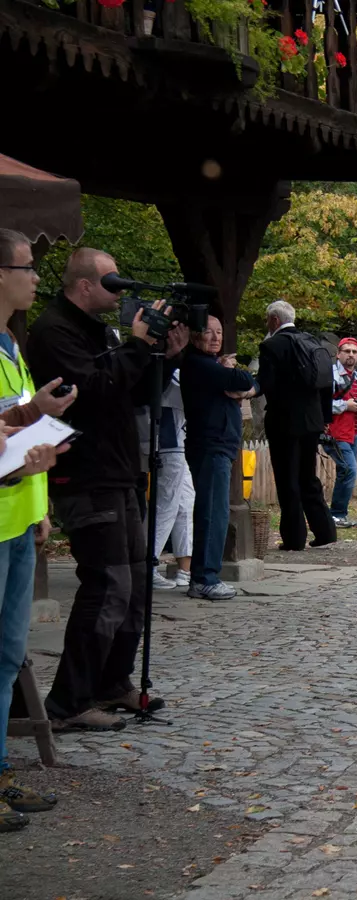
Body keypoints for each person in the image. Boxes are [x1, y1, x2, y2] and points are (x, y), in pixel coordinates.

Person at [27, 248, 189, 731]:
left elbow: (131, 391)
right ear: (83, 287)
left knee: (136, 584)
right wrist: (138, 347)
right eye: (111, 282)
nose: (120, 291)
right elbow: (93, 391)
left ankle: (111, 680)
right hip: (86, 475)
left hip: (118, 470)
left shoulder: (99, 330)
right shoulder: (53, 332)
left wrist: (165, 354)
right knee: (107, 586)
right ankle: (68, 703)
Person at [0, 229, 77, 831]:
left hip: (19, 516)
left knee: (6, 655)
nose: (34, 278)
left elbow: (16, 426)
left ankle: (0, 771)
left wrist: (41, 499)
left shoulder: (12, 343)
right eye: (26, 267)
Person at [180, 315, 257, 600]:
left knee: (215, 511)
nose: (215, 337)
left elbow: (244, 385)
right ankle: (204, 578)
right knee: (213, 513)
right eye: (208, 332)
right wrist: (230, 371)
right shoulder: (199, 365)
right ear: (195, 336)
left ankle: (205, 575)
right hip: (210, 446)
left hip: (219, 445)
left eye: (219, 332)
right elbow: (244, 379)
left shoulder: (210, 366)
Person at [257, 300, 337, 553]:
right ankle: (324, 531)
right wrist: (324, 417)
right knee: (307, 476)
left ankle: (293, 538)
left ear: (274, 320)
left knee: (287, 479)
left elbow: (266, 384)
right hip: (312, 420)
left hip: (284, 422)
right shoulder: (312, 342)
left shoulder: (271, 346)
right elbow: (326, 383)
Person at [143, 372, 193, 591]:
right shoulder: (168, 367)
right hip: (168, 437)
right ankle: (147, 565)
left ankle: (185, 569)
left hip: (179, 437)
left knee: (185, 504)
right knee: (166, 505)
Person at [325, 337, 357, 529]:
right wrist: (345, 405)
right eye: (347, 351)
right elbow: (321, 404)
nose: (350, 354)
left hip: (354, 432)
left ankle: (338, 516)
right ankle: (336, 515)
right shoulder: (330, 375)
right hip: (335, 433)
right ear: (338, 353)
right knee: (349, 470)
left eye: (354, 352)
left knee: (345, 472)